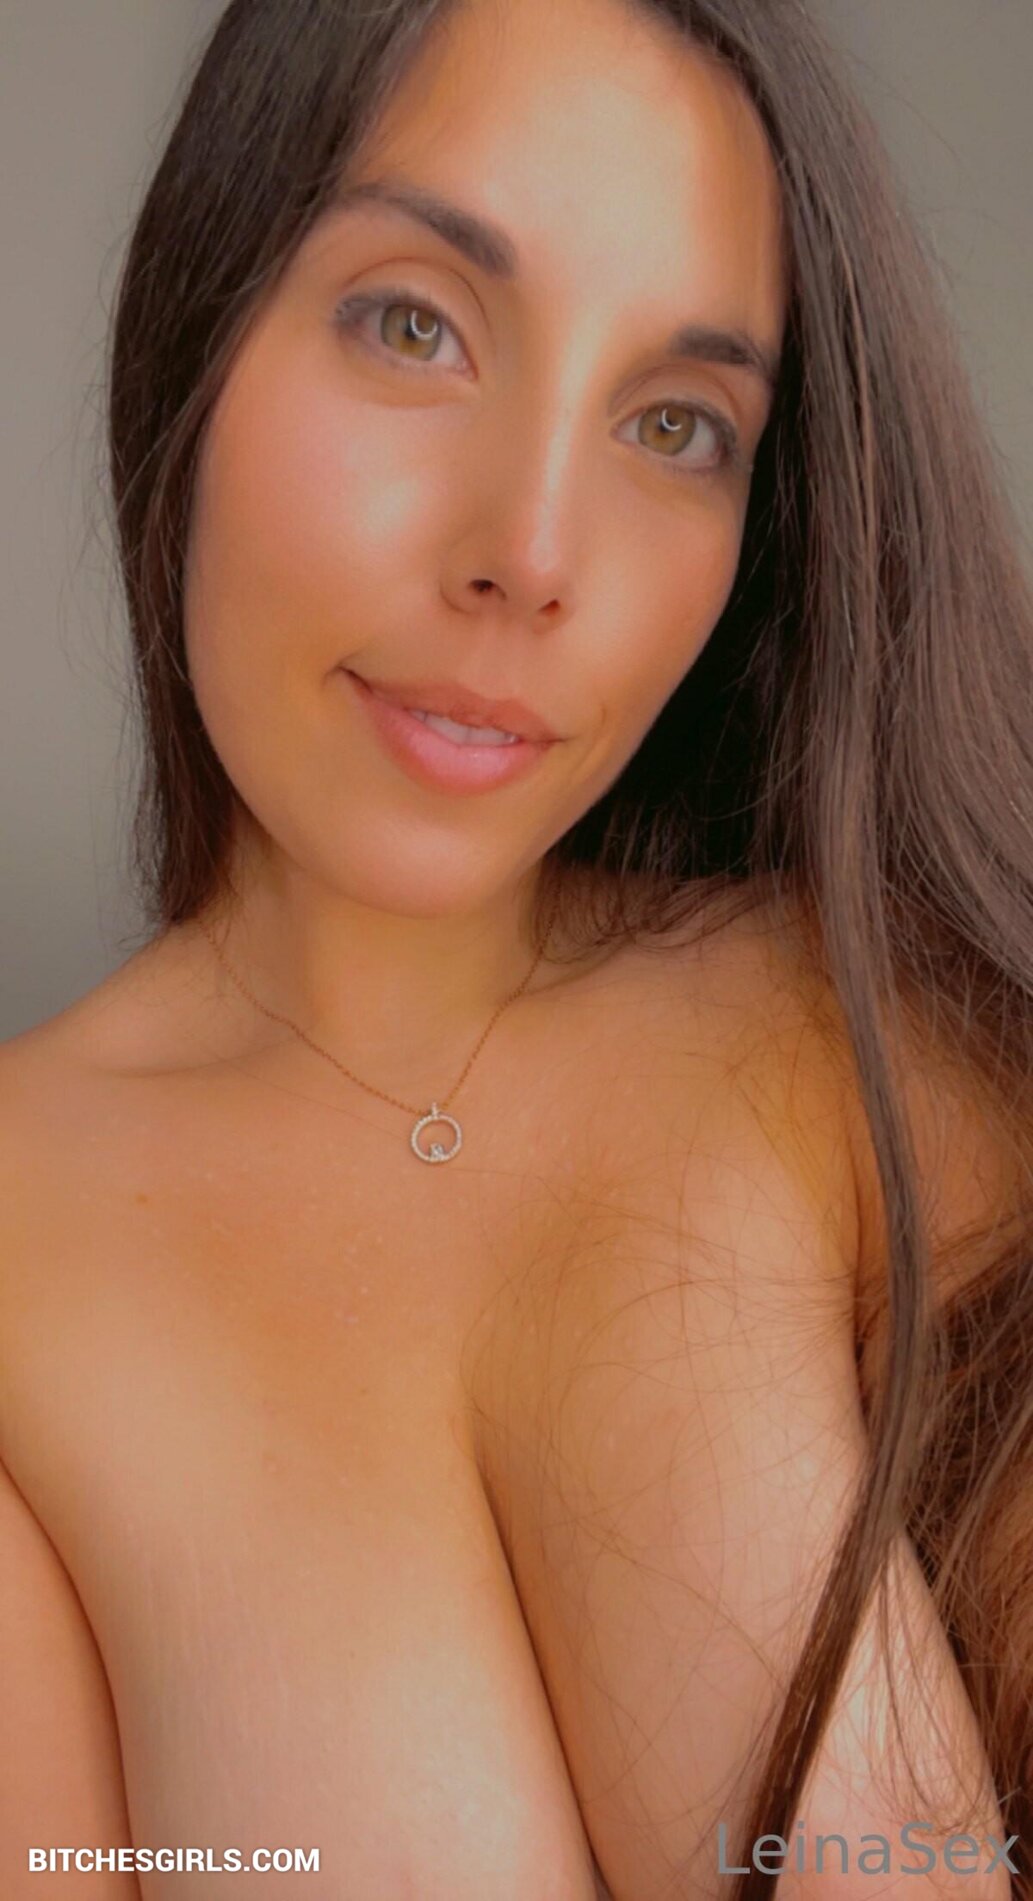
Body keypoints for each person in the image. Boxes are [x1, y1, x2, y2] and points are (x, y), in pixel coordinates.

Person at [1, 0, 1031, 1894]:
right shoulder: (21, 1243)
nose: (533, 552)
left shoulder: (868, 1037)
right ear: (205, 315)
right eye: (415, 325)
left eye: (674, 423)